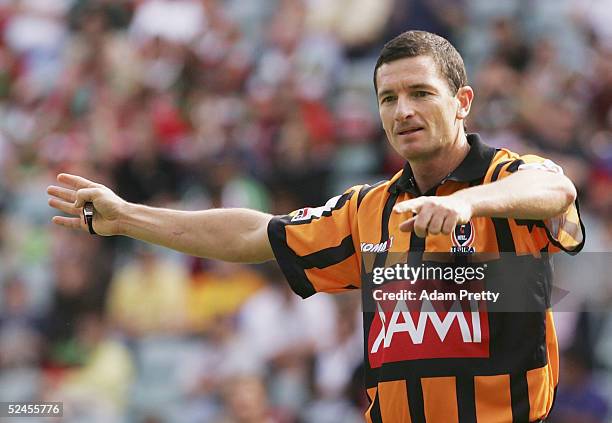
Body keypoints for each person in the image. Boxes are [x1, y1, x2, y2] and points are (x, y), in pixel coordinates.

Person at [47, 31, 585, 423]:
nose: (403, 111)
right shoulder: (365, 209)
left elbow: (556, 189)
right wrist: (127, 218)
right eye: (388, 98)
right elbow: (252, 234)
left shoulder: (508, 179)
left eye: (421, 93)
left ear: (462, 102)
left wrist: (471, 204)